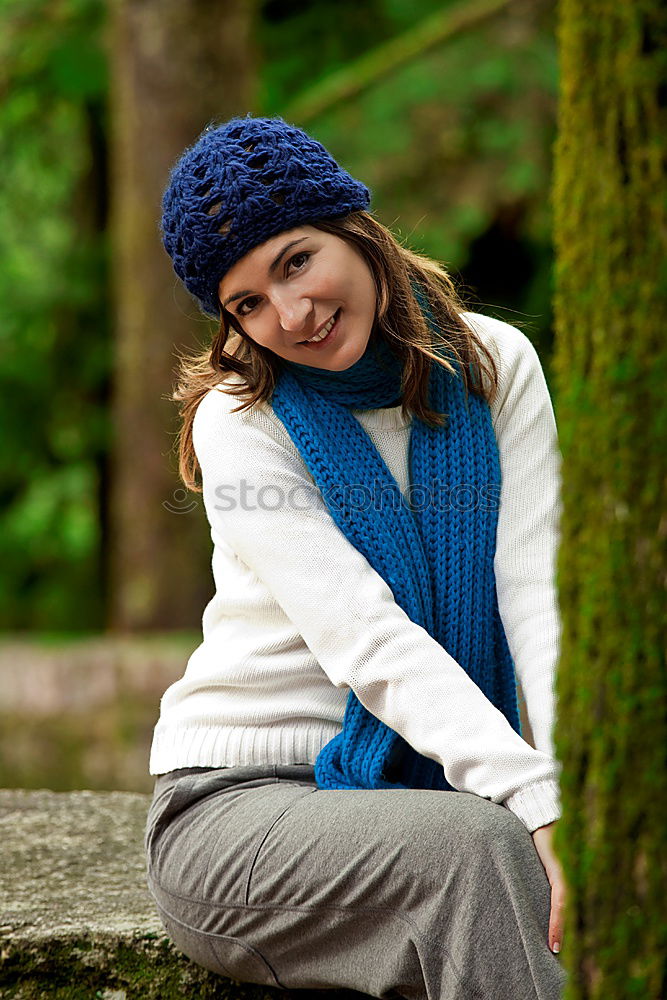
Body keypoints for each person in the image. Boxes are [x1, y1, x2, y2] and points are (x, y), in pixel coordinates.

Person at [145, 113, 567, 1000]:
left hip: (412, 793)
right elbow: (367, 640)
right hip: (234, 812)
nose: (290, 315)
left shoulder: (497, 366)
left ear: (353, 227)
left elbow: (538, 598)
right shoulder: (242, 419)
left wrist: (570, 796)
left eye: (296, 261)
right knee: (484, 851)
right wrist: (528, 801)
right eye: (246, 303)